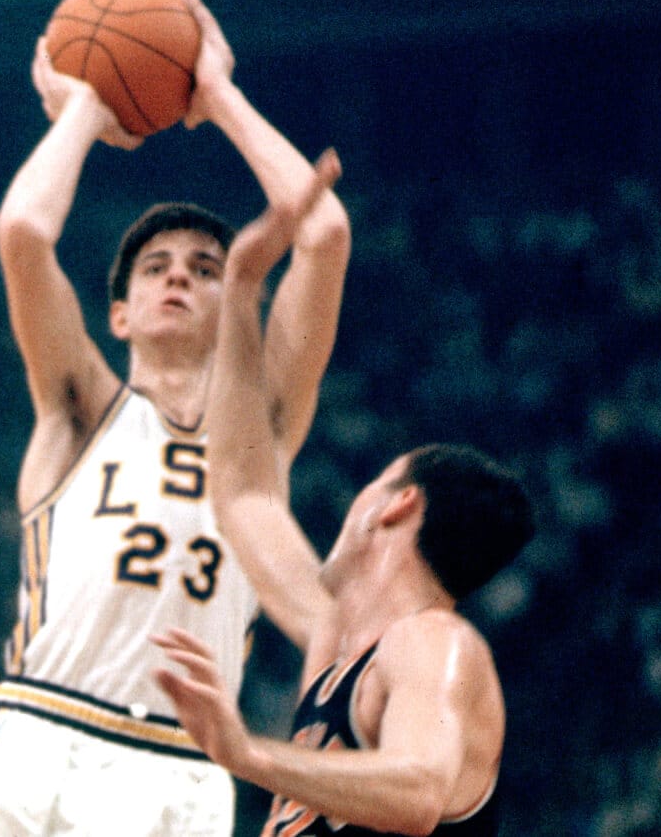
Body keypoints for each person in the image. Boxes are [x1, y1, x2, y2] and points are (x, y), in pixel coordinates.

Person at [0, 0, 351, 837]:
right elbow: (22, 233)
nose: (179, 277)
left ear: (238, 297)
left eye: (204, 265)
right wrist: (83, 108)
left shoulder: (263, 425)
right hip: (37, 733)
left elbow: (325, 231)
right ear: (117, 314)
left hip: (178, 767)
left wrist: (218, 96)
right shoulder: (80, 404)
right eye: (155, 266)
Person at [151, 161, 535, 837]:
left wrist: (244, 751)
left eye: (375, 481)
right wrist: (239, 289)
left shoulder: (434, 642)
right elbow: (243, 491)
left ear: (395, 506)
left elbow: (418, 789)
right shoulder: (337, 635)